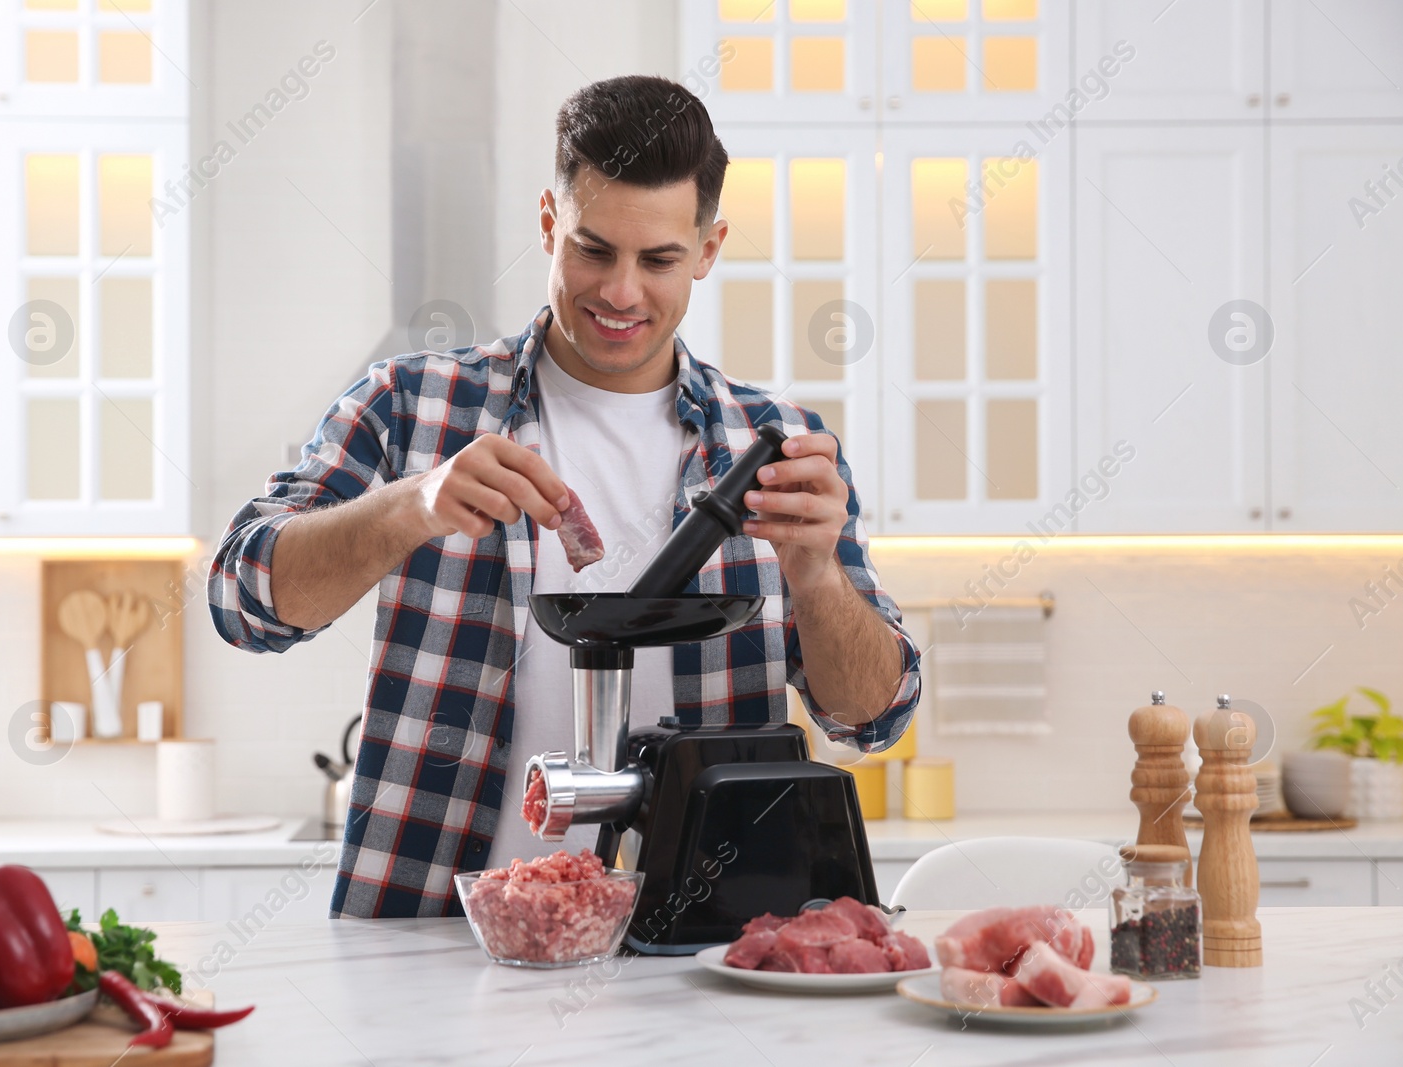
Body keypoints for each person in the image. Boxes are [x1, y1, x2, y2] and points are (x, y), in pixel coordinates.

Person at [208, 75, 921, 919]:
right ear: (549, 223)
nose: (622, 292)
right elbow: (241, 601)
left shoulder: (771, 442)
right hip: (438, 940)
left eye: (658, 259)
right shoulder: (412, 404)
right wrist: (414, 505)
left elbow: (874, 715)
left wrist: (816, 577)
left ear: (709, 247)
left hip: (696, 949)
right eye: (593, 248)